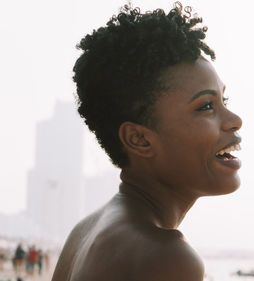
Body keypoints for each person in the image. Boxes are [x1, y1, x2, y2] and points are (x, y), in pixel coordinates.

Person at [52, 2, 242, 281]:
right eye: (205, 106)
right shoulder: (166, 258)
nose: (234, 119)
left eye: (223, 100)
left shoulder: (84, 233)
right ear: (139, 139)